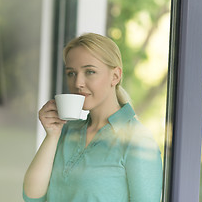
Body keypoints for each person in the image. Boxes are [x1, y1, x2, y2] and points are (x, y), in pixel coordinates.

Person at [23, 33, 163, 201]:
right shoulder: (65, 131)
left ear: (115, 76)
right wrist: (52, 136)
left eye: (90, 72)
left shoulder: (138, 140)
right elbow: (32, 197)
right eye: (71, 73)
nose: (78, 83)